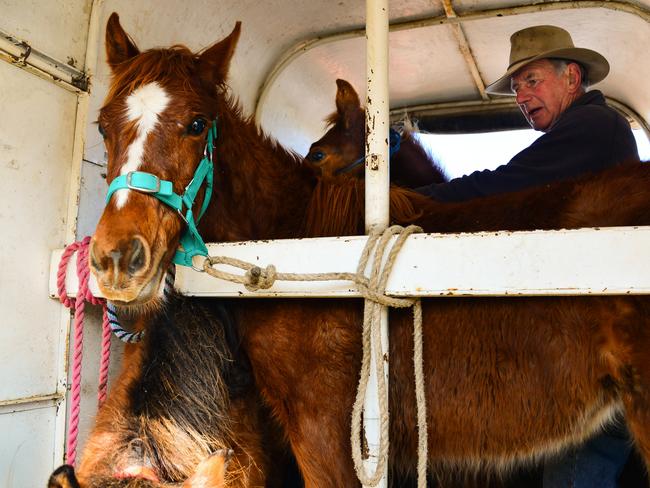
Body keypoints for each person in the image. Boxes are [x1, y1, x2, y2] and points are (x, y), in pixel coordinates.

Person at [416, 25, 640, 488]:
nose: (522, 95)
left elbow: (507, 186)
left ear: (572, 77)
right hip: (597, 326)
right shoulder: (584, 131)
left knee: (575, 475)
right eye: (517, 88)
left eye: (532, 80)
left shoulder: (596, 126)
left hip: (610, 331)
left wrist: (408, 203)